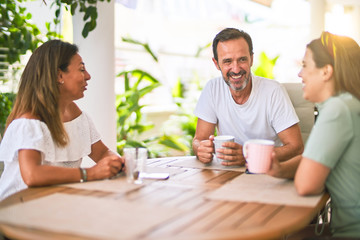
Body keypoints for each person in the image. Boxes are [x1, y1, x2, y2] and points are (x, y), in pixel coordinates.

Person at [0, 40, 124, 201]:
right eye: (81, 69)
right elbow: (32, 175)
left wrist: (117, 163)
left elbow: (101, 153)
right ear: (59, 76)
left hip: (55, 204)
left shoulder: (77, 116)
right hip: (17, 212)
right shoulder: (29, 122)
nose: (88, 76)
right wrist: (91, 173)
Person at [268, 32, 360, 238]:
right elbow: (316, 160)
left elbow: (306, 184)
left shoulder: (338, 109)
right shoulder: (349, 103)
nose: (300, 74)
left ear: (326, 71)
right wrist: (281, 169)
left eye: (305, 65)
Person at [192, 28, 303, 166]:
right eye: (227, 61)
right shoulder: (212, 89)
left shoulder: (273, 91)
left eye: (242, 59)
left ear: (251, 59)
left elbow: (296, 147)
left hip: (266, 173)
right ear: (216, 64)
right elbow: (199, 140)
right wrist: (201, 149)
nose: (236, 69)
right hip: (227, 172)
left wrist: (249, 157)